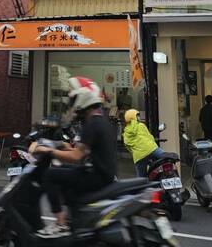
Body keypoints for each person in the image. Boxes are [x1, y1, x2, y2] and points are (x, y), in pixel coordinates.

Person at [32, 77, 116, 238]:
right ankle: (73, 217)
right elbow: (83, 150)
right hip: (102, 173)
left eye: (75, 99)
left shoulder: (92, 124)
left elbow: (77, 156)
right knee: (63, 170)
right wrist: (62, 146)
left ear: (84, 99)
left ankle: (61, 224)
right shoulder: (101, 122)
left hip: (97, 176)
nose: (74, 106)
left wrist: (48, 151)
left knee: (50, 175)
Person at [123, 109, 165, 177]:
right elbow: (150, 137)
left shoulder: (125, 133)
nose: (139, 117)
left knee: (141, 178)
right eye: (137, 116)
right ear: (134, 117)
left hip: (139, 156)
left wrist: (136, 151)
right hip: (152, 149)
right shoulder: (141, 125)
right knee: (166, 159)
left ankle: (145, 187)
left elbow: (128, 147)